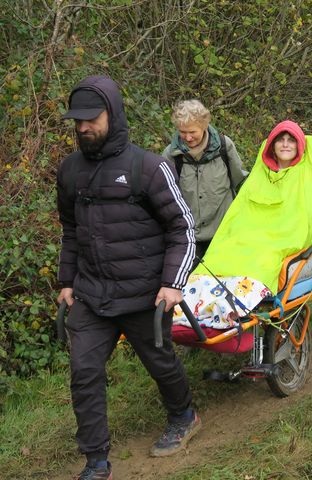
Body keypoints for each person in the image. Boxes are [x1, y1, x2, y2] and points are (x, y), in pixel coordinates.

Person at [56, 75, 199, 480]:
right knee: (84, 373)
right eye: (77, 121)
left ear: (113, 114)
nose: (83, 127)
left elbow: (182, 227)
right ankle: (96, 460)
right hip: (91, 293)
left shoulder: (148, 167)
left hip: (144, 293)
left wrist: (172, 283)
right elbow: (70, 229)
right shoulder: (69, 171)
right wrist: (67, 281)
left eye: (91, 119)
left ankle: (184, 415)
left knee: (160, 361)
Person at [174, 120, 312, 329]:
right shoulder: (261, 175)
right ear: (271, 145)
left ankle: (232, 309)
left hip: (282, 241)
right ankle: (194, 312)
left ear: (299, 145)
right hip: (252, 239)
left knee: (264, 259)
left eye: (291, 140)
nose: (285, 144)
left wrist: (279, 239)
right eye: (280, 140)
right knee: (222, 253)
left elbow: (306, 219)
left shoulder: (308, 177)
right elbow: (240, 213)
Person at [163, 99, 246, 262]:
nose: (187, 137)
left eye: (192, 132)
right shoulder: (171, 154)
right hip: (188, 236)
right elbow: (164, 195)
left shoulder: (224, 147)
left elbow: (239, 181)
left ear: (204, 125)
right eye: (182, 131)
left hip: (223, 233)